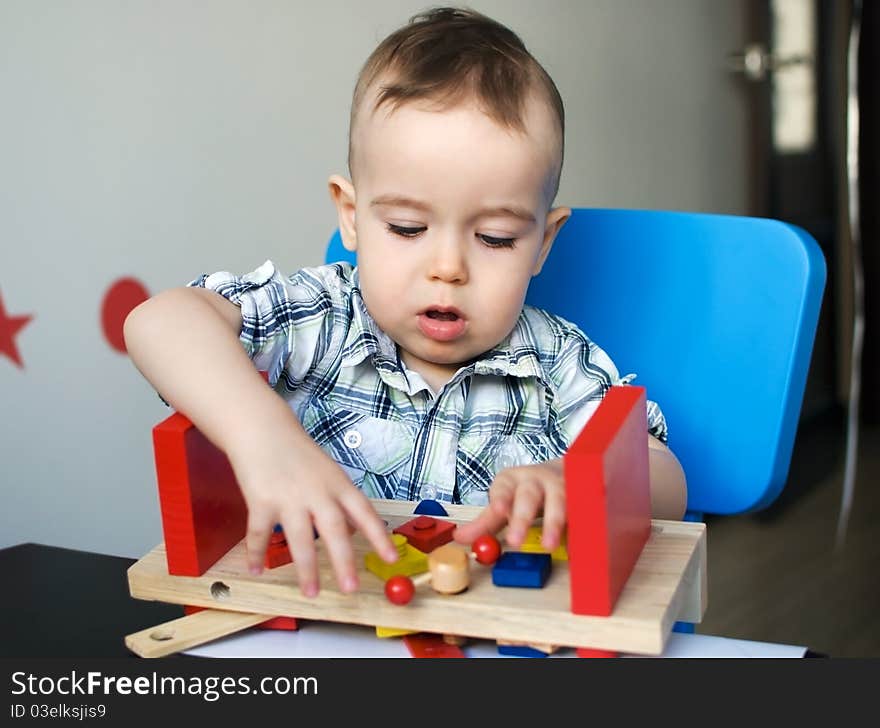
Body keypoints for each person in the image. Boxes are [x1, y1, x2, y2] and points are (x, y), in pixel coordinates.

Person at [124, 7, 687, 599]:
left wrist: (582, 481)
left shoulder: (558, 362)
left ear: (542, 243)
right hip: (328, 630)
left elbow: (665, 477)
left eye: (495, 238)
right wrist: (265, 441)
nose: (448, 268)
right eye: (407, 228)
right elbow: (158, 322)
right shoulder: (321, 320)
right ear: (352, 215)